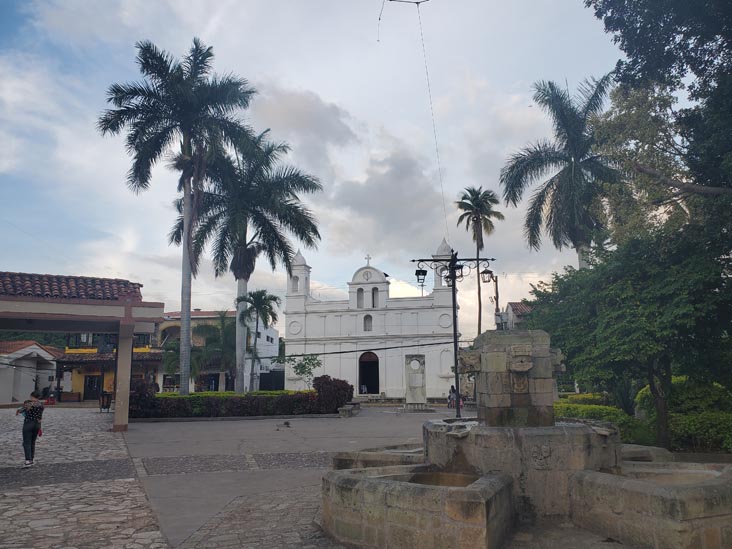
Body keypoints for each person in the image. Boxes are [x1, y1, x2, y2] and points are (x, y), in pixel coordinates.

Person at [16, 391, 44, 468]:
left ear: (32, 396)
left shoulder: (29, 404)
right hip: (37, 425)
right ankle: (31, 459)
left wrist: (19, 410)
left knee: (26, 442)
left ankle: (28, 460)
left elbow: (20, 410)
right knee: (32, 442)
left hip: (29, 424)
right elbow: (40, 416)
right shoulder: (41, 405)